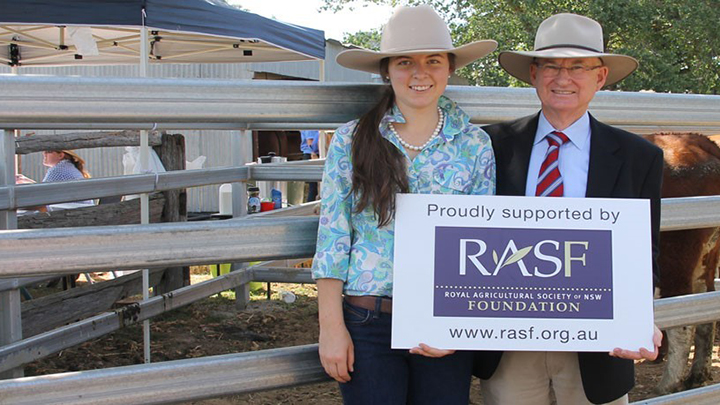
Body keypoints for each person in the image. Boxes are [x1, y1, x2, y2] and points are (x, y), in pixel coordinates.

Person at [474, 13, 663, 405]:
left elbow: (644, 251)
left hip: (597, 347)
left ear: (601, 76)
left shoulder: (638, 157)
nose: (563, 79)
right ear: (532, 74)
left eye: (578, 67)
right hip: (510, 342)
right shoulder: (490, 147)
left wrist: (640, 319)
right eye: (552, 67)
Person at [312, 5, 496, 404]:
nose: (419, 73)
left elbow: (482, 243)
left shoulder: (475, 145)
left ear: (449, 68)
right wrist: (331, 326)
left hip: (443, 317)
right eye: (404, 62)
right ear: (386, 71)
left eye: (433, 61)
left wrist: (460, 326)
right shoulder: (352, 140)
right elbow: (333, 235)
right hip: (367, 317)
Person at [16, 149, 94, 210]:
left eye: (48, 151)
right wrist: (26, 180)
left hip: (74, 211)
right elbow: (45, 189)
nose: (44, 153)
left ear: (60, 155)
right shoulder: (66, 166)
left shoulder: (59, 169)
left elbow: (41, 194)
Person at [300, 129, 320, 202]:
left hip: (311, 153)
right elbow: (310, 142)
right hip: (312, 154)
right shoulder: (312, 123)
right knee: (313, 188)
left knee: (313, 187)